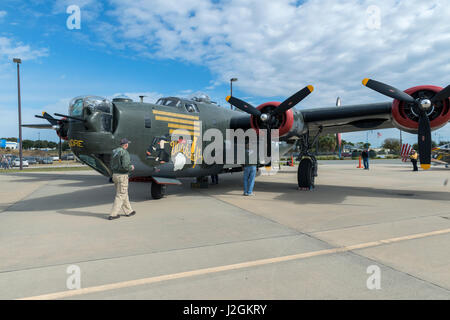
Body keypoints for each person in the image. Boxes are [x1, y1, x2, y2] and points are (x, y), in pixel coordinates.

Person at [109, 138, 136, 220]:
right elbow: (125, 166)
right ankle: (113, 214)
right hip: (122, 176)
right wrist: (131, 167)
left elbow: (111, 163)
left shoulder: (114, 151)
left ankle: (129, 211)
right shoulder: (124, 152)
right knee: (121, 195)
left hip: (115, 175)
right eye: (128, 144)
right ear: (126, 144)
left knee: (124, 193)